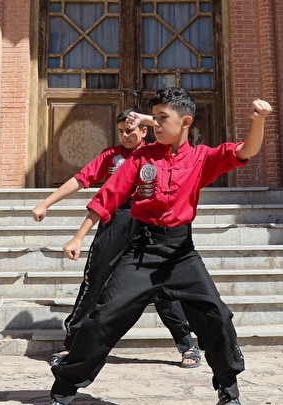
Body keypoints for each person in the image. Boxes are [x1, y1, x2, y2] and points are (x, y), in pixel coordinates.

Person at [44, 88, 272, 405]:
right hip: (141, 251)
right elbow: (110, 194)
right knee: (102, 317)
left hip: (181, 254)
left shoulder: (201, 158)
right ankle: (63, 393)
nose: (155, 125)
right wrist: (79, 235)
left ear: (185, 122)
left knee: (218, 318)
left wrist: (258, 121)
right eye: (155, 118)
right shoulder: (141, 158)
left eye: (162, 118)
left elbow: (244, 150)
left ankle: (228, 391)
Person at [32, 110, 200, 368]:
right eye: (120, 131)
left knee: (162, 284)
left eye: (130, 130)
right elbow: (81, 179)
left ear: (144, 130)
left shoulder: (158, 152)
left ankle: (186, 344)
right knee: (94, 279)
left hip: (150, 222)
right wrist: (46, 203)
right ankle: (73, 342)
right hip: (115, 219)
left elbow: (174, 129)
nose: (125, 135)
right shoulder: (111, 156)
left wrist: (146, 118)